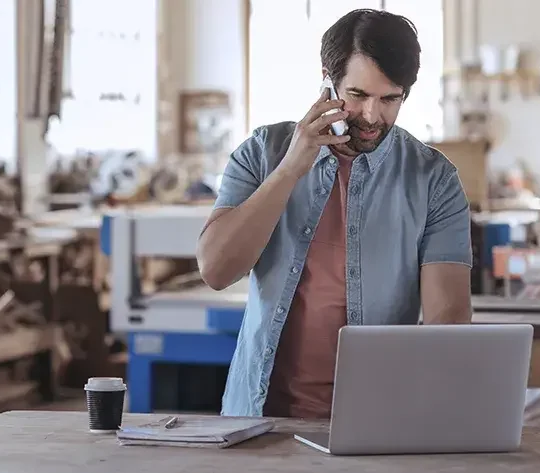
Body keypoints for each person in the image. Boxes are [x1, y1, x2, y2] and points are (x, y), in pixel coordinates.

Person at [196, 9, 473, 418]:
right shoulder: (262, 152)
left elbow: (447, 320)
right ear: (327, 79)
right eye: (358, 95)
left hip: (376, 422)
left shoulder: (435, 180)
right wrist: (291, 168)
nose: (372, 116)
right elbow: (216, 270)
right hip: (258, 420)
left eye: (390, 99)